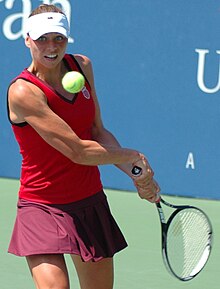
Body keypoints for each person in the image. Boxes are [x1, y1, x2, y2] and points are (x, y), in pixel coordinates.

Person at [7, 4, 160, 289]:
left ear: (67, 39)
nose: (51, 47)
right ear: (27, 39)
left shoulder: (83, 66)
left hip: (88, 201)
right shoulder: (23, 92)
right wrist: (134, 156)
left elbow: (97, 131)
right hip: (42, 206)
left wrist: (137, 174)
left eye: (58, 38)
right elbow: (78, 151)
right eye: (42, 39)